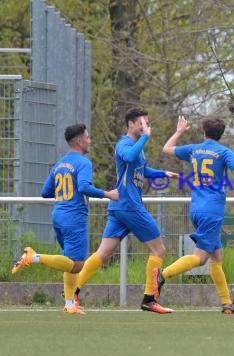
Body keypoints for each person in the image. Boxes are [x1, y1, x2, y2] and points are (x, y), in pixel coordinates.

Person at [152, 116, 234, 314]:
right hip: (212, 211)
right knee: (200, 258)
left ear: (204, 132)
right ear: (221, 134)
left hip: (197, 209)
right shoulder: (223, 152)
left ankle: (227, 303)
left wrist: (179, 131)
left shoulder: (194, 149)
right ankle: (162, 274)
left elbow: (166, 148)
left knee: (217, 256)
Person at [74, 108, 178, 314]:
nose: (146, 127)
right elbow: (129, 157)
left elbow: (142, 170)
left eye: (147, 123)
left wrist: (163, 173)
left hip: (120, 207)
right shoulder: (124, 144)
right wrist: (146, 137)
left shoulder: (137, 146)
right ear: (131, 124)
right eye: (142, 123)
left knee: (102, 254)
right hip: (130, 206)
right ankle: (150, 298)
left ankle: (72, 293)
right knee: (159, 250)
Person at [11, 124, 118, 314]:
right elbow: (84, 187)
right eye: (87, 137)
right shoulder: (83, 163)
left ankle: (69, 305)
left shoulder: (59, 164)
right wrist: (108, 194)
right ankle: (33, 257)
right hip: (74, 217)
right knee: (77, 264)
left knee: (69, 262)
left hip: (58, 216)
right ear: (79, 141)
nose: (89, 140)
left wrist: (64, 194)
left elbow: (45, 193)